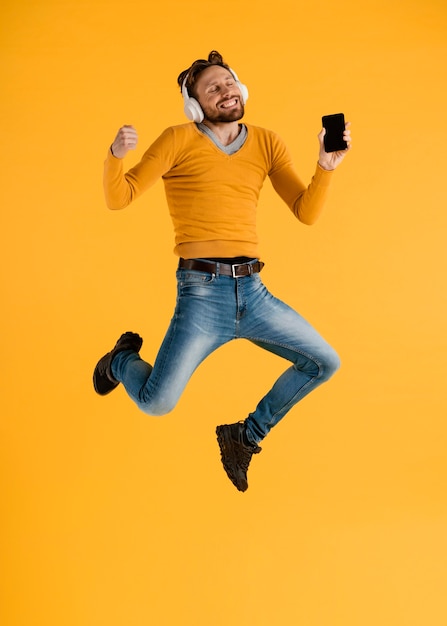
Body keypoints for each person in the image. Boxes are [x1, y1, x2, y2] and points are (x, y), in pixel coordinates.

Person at [93, 51, 351, 492]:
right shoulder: (177, 139)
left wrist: (325, 169)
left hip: (253, 293)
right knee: (157, 404)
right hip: (201, 295)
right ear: (195, 105)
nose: (226, 91)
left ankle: (246, 436)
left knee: (324, 362)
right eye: (213, 88)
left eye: (229, 82)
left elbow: (305, 212)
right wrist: (115, 157)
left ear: (242, 88)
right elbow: (122, 196)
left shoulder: (267, 142)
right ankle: (120, 360)